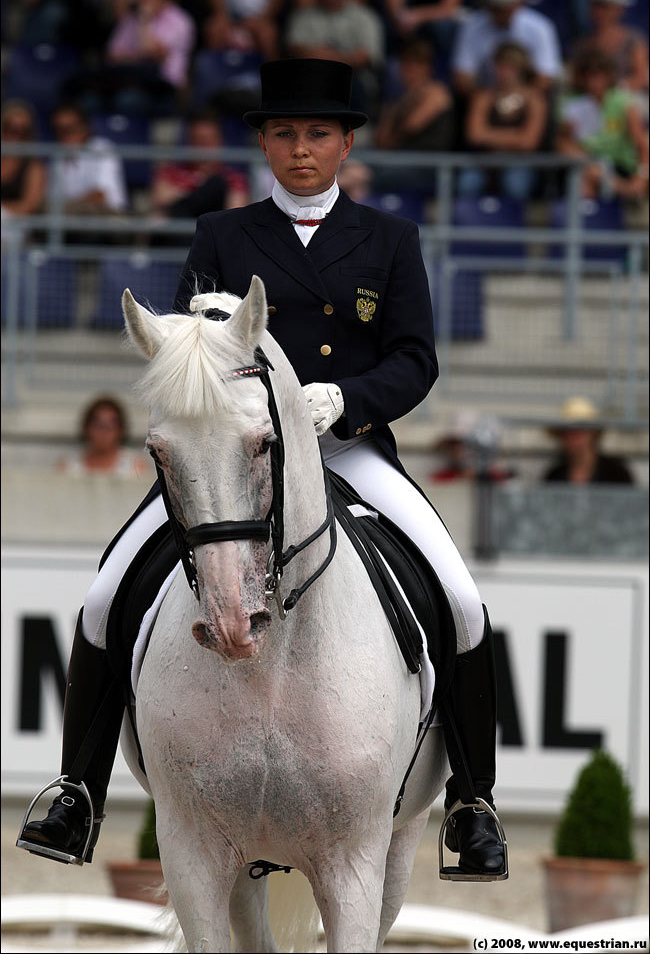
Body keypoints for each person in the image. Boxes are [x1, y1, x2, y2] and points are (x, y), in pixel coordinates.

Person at [18, 58, 506, 881]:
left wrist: (341, 401)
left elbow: (416, 360)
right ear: (265, 144)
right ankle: (78, 791)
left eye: (318, 134)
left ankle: (471, 800)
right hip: (231, 463)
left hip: (346, 445)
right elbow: (187, 352)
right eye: (284, 134)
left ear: (346, 142)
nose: (301, 149)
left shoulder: (389, 238)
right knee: (106, 595)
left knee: (460, 599)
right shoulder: (222, 234)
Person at [556, 48, 649, 201]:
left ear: (608, 76)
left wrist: (642, 176)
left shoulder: (623, 102)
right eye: (589, 75)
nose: (593, 81)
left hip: (620, 165)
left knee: (588, 174)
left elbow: (641, 144)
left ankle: (613, 188)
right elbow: (563, 143)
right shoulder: (571, 103)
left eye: (598, 75)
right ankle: (614, 193)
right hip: (587, 164)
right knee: (583, 174)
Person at [458, 42, 548, 201]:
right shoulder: (484, 97)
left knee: (515, 183)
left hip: (519, 164)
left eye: (509, 67)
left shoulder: (534, 99)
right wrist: (515, 136)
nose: (502, 72)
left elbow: (529, 142)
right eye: (499, 66)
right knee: (467, 182)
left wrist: (490, 135)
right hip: (484, 162)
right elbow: (475, 135)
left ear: (521, 68)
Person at [285, 0, 385, 120]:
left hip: (353, 78)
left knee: (351, 85)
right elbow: (295, 48)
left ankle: (355, 132)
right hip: (311, 77)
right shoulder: (304, 15)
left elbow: (367, 55)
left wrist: (331, 58)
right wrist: (333, 57)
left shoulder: (364, 16)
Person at [451, 0, 562, 97]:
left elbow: (546, 76)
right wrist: (488, 99)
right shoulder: (472, 25)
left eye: (503, 8)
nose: (498, 12)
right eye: (494, 7)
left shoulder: (540, 26)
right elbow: (462, 76)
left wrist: (517, 99)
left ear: (518, 3)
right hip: (487, 94)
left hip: (527, 96)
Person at [149, 109, 249, 234]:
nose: (203, 148)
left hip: (214, 238)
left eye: (208, 141)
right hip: (179, 236)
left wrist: (185, 191)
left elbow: (236, 211)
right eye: (197, 140)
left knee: (217, 185)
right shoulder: (171, 171)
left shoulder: (232, 177)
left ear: (220, 142)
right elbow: (161, 199)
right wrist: (200, 183)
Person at [49, 103, 128, 215]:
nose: (64, 135)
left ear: (85, 127)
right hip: (69, 220)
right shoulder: (56, 156)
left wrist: (67, 208)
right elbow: (52, 199)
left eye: (70, 129)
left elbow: (100, 196)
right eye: (58, 130)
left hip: (107, 218)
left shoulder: (102, 149)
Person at [574, 0, 648, 97]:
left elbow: (640, 76)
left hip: (627, 99)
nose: (600, 11)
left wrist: (615, 94)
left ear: (619, 9)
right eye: (596, 5)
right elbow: (577, 78)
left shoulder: (634, 39)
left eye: (605, 6)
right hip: (593, 100)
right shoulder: (584, 44)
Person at [542, 397, 634, 485]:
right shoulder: (554, 476)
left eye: (579, 430)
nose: (572, 437)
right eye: (566, 432)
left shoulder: (617, 474)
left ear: (593, 434)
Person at [57, 396, 150, 479]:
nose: (104, 432)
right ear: (86, 428)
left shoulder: (135, 467)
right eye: (98, 425)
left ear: (121, 430)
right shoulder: (69, 467)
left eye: (110, 426)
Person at [1, 100, 47, 223]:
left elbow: (29, 206)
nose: (14, 135)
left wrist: (3, 211)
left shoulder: (33, 166)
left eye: (22, 130)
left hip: (16, 225)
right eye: (9, 127)